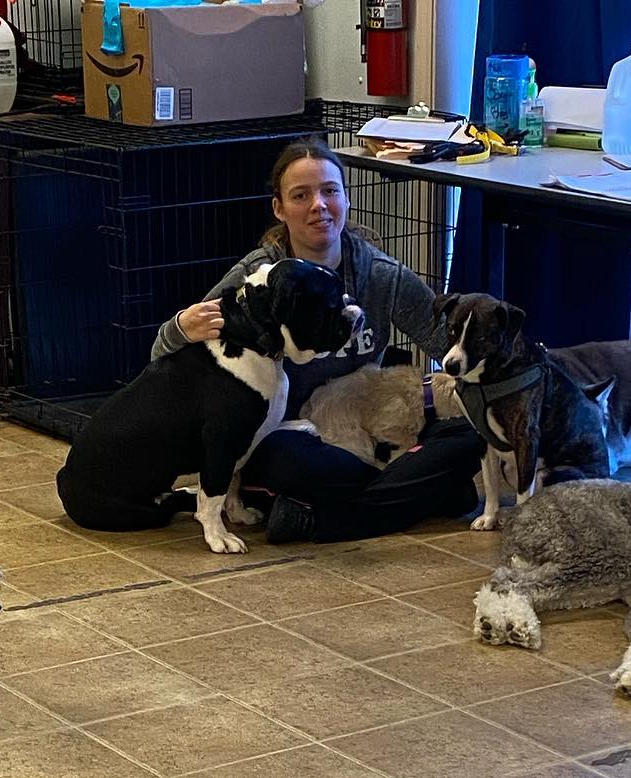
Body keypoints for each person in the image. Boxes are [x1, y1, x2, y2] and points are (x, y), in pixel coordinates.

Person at [150, 138, 484, 544]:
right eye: (301, 195)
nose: (318, 206)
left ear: (346, 198)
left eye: (330, 191)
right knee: (294, 465)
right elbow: (167, 359)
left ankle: (316, 518)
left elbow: (450, 345)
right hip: (286, 438)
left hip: (369, 431)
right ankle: (418, 491)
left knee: (470, 435)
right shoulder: (258, 278)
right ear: (279, 208)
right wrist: (179, 327)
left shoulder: (379, 274)